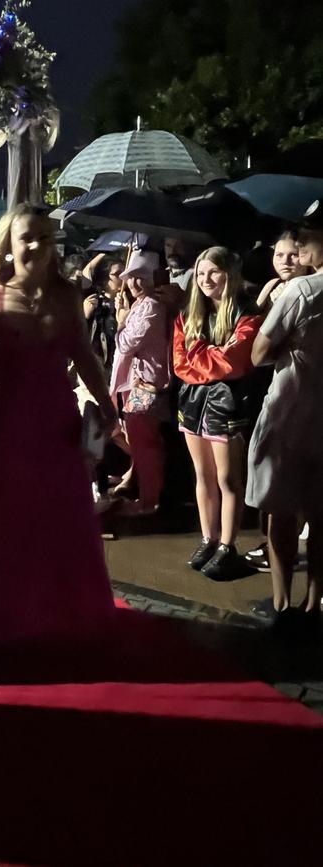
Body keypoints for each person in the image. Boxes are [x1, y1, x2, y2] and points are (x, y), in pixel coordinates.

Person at [0, 203, 117, 660]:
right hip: (11, 420)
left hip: (58, 418)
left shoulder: (68, 295)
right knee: (16, 517)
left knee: (69, 511)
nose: (35, 245)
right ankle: (17, 613)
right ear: (9, 246)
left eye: (43, 236)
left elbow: (84, 354)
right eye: (26, 237)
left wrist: (107, 404)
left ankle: (73, 610)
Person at [246, 200, 323, 630]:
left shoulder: (301, 292)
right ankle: (316, 604)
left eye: (307, 240)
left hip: (291, 410)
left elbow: (259, 351)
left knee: (281, 511)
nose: (300, 250)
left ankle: (281, 604)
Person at [173, 247, 262, 580]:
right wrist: (210, 356)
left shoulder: (245, 311)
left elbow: (235, 361)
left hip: (228, 403)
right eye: (200, 273)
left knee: (227, 478)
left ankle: (227, 545)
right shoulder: (189, 313)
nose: (205, 279)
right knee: (202, 476)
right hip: (193, 402)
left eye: (213, 272)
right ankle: (208, 538)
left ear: (229, 273)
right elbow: (181, 364)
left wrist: (203, 356)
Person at [243, 230, 310, 572]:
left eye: (292, 254)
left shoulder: (304, 291)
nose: (286, 261)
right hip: (271, 386)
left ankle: (284, 559)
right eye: (279, 254)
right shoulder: (270, 290)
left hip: (297, 395)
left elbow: (263, 348)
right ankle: (270, 544)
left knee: (288, 482)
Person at [110, 250, 170, 516]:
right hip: (137, 383)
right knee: (136, 437)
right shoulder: (141, 305)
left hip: (148, 384)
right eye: (131, 277)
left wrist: (120, 322)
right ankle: (144, 492)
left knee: (144, 442)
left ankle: (149, 501)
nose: (134, 283)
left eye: (141, 277)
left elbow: (126, 344)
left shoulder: (152, 308)